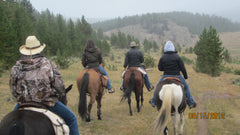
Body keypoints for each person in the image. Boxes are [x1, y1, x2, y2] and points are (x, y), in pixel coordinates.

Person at [9, 36, 80, 135]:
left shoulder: (16, 67)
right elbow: (60, 87)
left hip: (23, 103)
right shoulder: (48, 64)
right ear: (39, 49)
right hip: (47, 102)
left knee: (10, 123)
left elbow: (13, 90)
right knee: (72, 119)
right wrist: (55, 94)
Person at [149, 41, 197, 109]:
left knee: (157, 87)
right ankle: (191, 103)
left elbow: (160, 68)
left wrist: (165, 68)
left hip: (165, 75)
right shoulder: (177, 57)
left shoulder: (163, 57)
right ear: (173, 48)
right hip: (177, 75)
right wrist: (185, 76)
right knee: (186, 87)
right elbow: (182, 68)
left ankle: (153, 101)